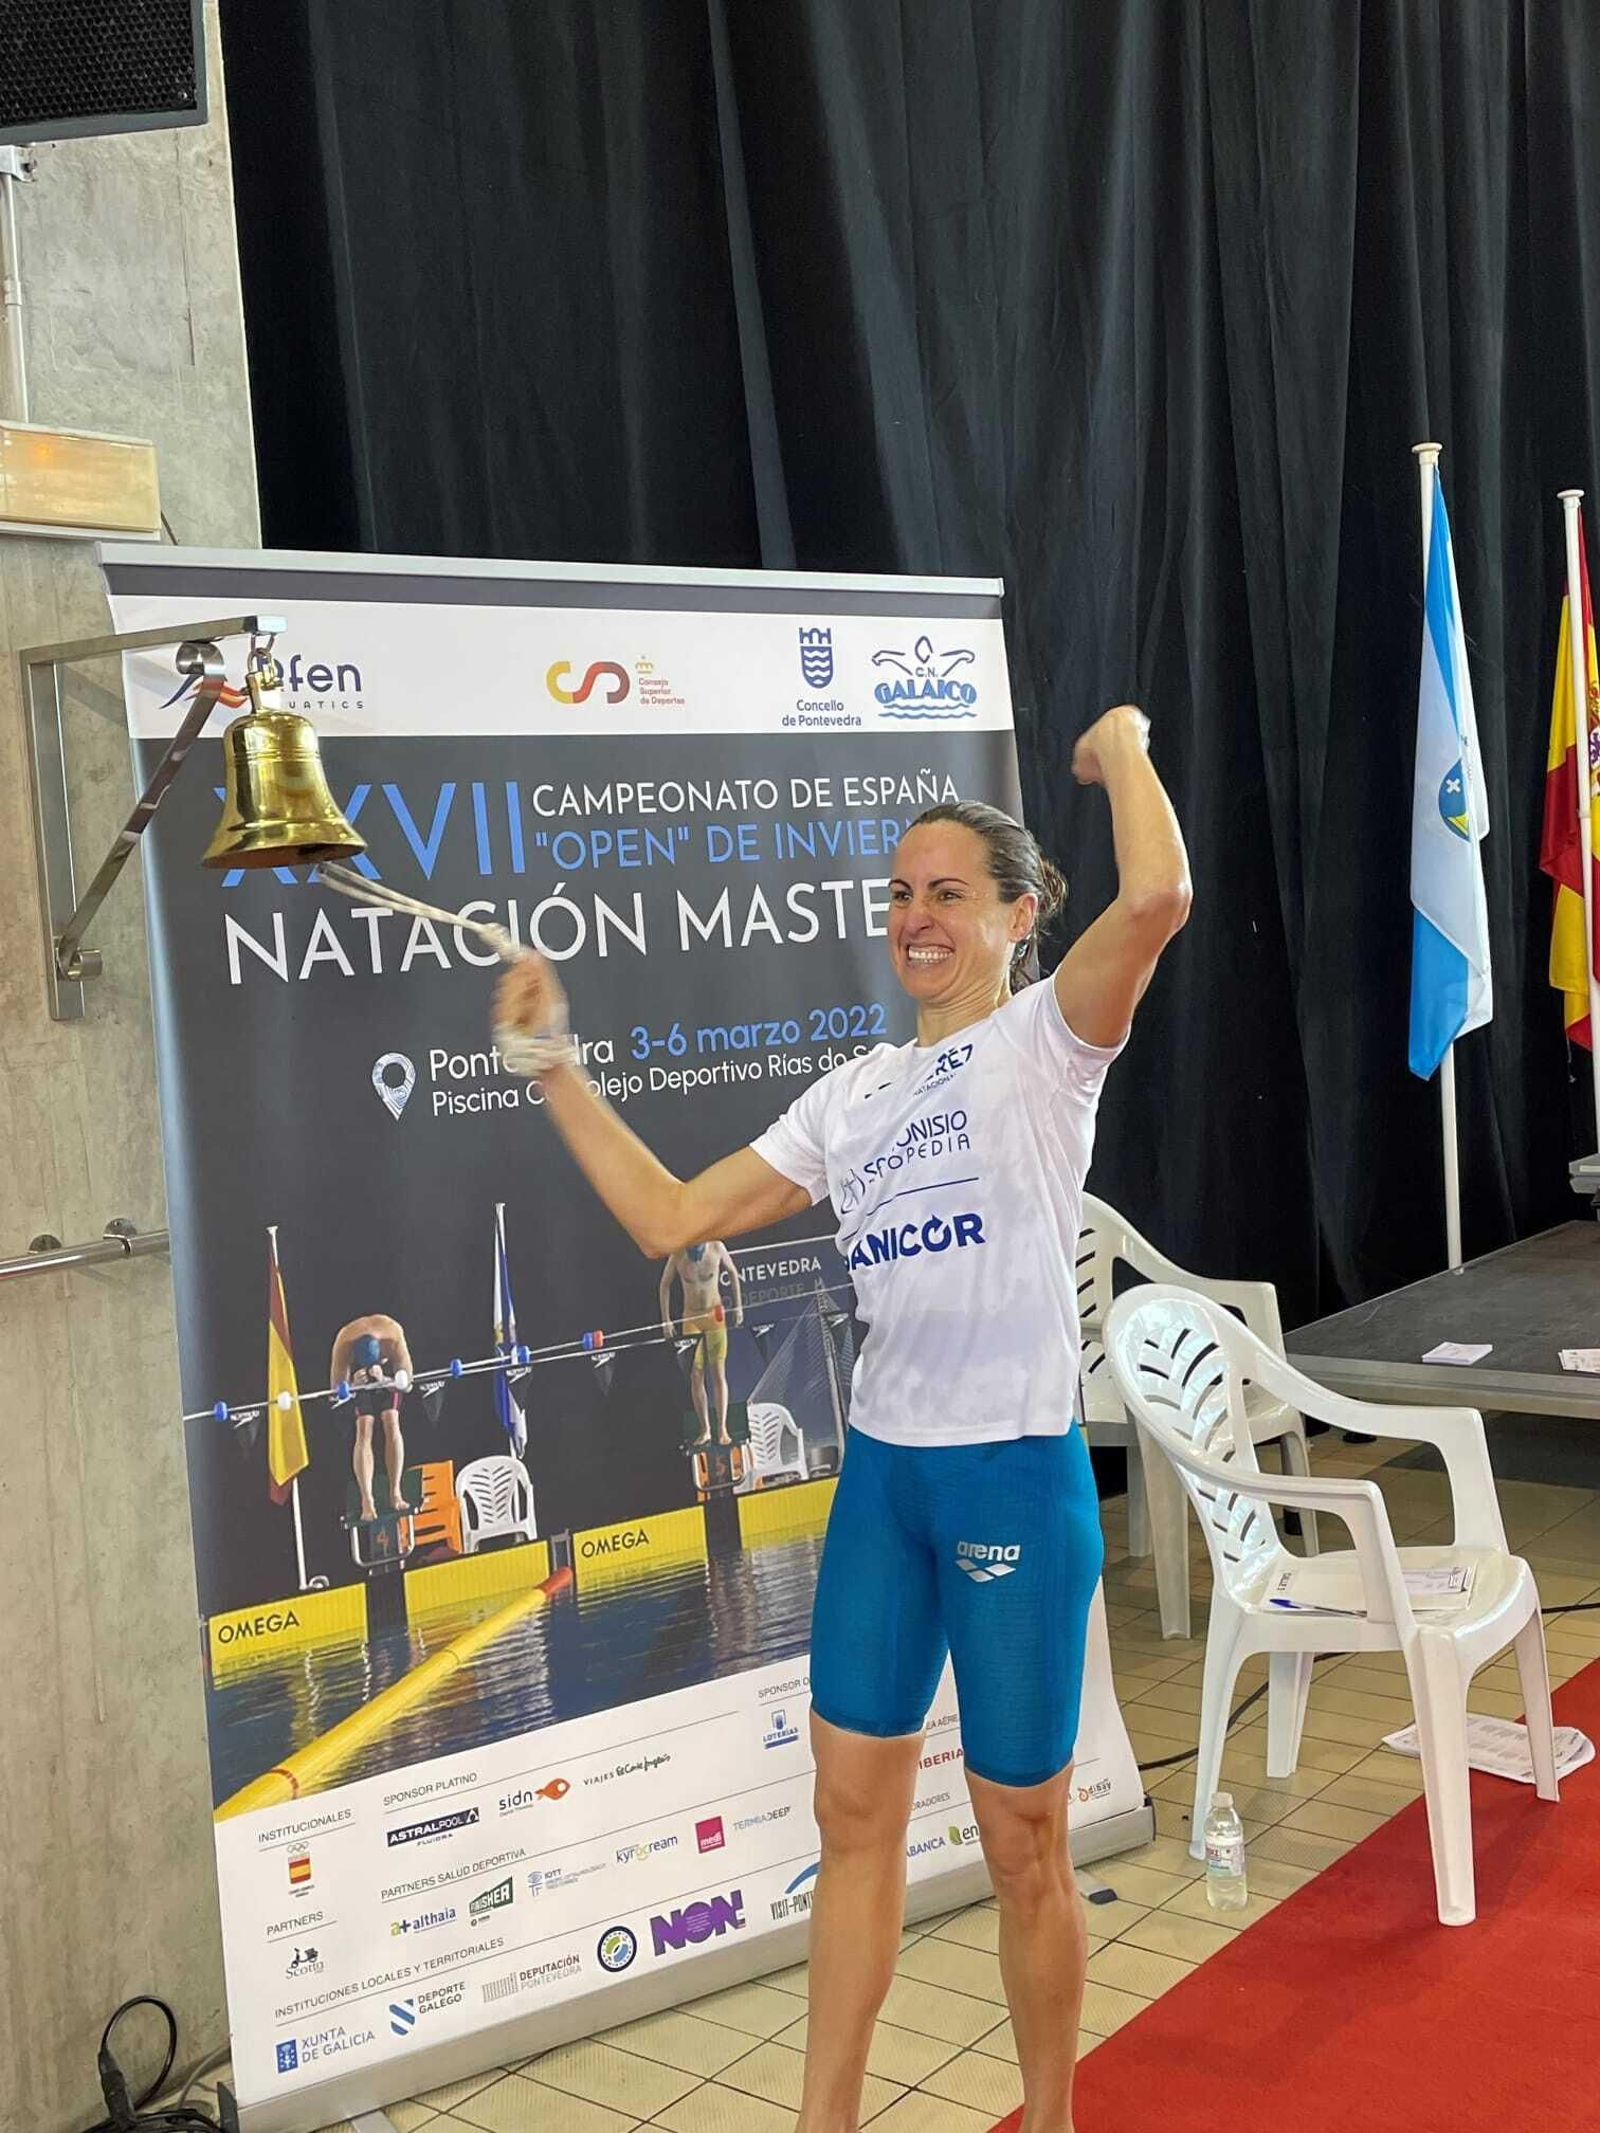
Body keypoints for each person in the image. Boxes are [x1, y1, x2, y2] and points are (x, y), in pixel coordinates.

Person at [494, 703, 1189, 2133]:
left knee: (1023, 1839)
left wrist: (1119, 745)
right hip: (886, 1484)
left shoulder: (1052, 1046)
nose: (916, 918)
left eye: (947, 893)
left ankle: (1051, 2117)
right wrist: (553, 1066)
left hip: (1009, 1478)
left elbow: (1164, 893)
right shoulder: (853, 1095)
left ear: (1015, 916)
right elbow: (672, 1219)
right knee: (852, 1821)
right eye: (898, 896)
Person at [659, 1239, 746, 1445]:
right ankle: (705, 1429)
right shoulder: (678, 1254)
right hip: (691, 1318)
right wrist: (666, 1319)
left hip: (714, 1314)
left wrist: (738, 1306)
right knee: (695, 1374)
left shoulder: (716, 1247)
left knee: (718, 1372)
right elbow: (664, 1284)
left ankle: (723, 1429)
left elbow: (733, 1272)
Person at [330, 1314, 414, 1522]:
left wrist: (384, 1379)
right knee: (364, 1426)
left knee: (391, 1419)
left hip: (387, 1376)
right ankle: (367, 1501)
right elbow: (335, 1391)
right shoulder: (344, 1341)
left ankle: (395, 1492)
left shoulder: (393, 1335)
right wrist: (352, 1385)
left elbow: (408, 1383)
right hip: (358, 1378)